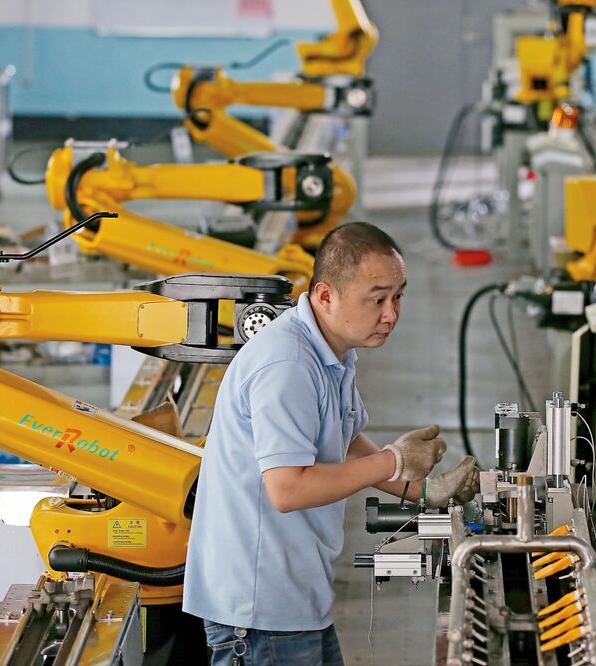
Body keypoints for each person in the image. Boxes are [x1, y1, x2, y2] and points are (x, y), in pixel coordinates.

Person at [184, 222, 480, 666]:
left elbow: (341, 440)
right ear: (325, 296)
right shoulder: (287, 365)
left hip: (295, 597)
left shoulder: (332, 351)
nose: (391, 314)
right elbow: (288, 489)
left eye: (398, 296)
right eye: (376, 299)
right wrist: (394, 459)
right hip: (259, 609)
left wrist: (419, 490)